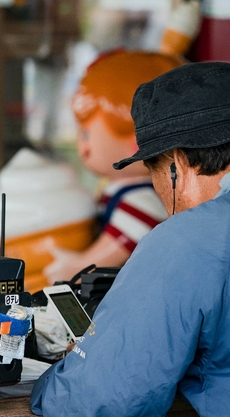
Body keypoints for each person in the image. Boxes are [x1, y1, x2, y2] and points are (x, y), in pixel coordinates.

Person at [30, 61, 230, 417]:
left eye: (151, 174)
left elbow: (95, 410)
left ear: (175, 166)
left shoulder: (192, 239)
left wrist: (53, 380)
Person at [43, 50, 181, 285]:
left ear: (136, 140)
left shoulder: (142, 197)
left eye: (86, 134)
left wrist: (78, 267)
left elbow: (119, 244)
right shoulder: (119, 189)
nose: (82, 146)